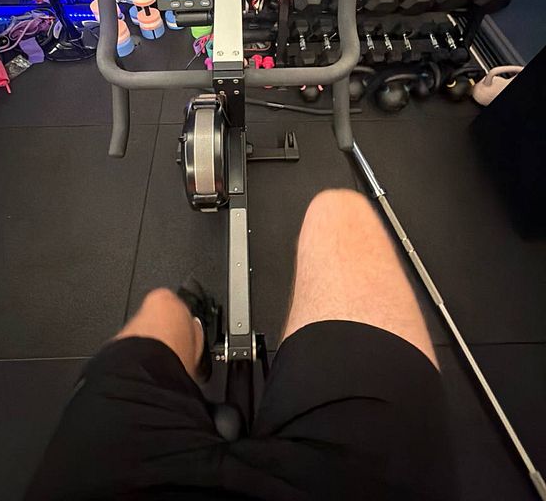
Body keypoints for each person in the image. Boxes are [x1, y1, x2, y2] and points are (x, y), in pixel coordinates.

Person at [25, 190, 458, 500]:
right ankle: (192, 331)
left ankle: (192, 330)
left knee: (161, 306)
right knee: (339, 211)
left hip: (111, 480)